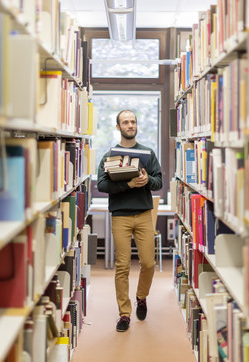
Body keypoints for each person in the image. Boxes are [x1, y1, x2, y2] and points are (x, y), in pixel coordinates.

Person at [97, 110, 163, 332]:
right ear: (118, 127)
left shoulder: (148, 152)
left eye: (133, 121)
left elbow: (159, 181)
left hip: (144, 214)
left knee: (148, 263)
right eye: (125, 122)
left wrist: (146, 181)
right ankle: (124, 314)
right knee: (122, 266)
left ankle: (141, 297)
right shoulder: (109, 156)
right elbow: (102, 185)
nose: (130, 125)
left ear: (136, 126)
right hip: (120, 216)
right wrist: (127, 185)